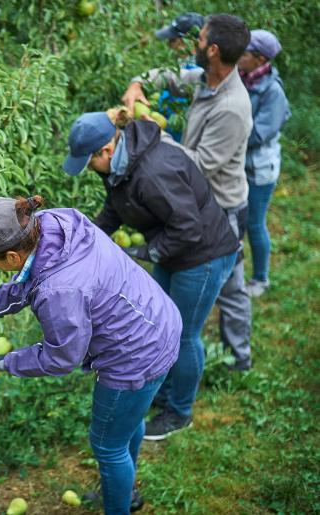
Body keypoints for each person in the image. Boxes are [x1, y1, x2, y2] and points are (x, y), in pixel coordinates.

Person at [0, 196, 181, 515]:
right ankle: (125, 493)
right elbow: (32, 278)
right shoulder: (57, 224)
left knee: (107, 446)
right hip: (156, 319)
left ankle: (119, 505)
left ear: (13, 256)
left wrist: (8, 363)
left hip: (135, 353)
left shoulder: (59, 293)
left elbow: (62, 357)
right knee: (126, 424)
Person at [62, 110, 239, 441]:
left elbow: (189, 228)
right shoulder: (121, 167)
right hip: (176, 251)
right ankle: (165, 392)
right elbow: (114, 209)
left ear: (106, 150)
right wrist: (83, 242)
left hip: (204, 256)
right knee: (161, 327)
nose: (87, 168)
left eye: (88, 161)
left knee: (185, 334)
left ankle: (180, 412)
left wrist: (144, 254)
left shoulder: (152, 173)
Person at [123, 14, 254, 382]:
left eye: (201, 40)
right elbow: (168, 76)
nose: (195, 43)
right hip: (197, 203)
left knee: (229, 286)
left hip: (223, 208)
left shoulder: (232, 108)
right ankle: (226, 354)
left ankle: (239, 359)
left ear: (212, 50)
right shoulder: (207, 80)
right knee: (220, 284)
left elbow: (197, 167)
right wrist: (137, 85)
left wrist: (149, 134)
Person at [238, 30, 290, 297]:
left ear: (259, 59)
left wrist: (225, 131)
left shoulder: (273, 92)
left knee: (254, 224)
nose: (238, 56)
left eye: (244, 53)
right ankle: (232, 275)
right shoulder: (243, 79)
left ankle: (260, 279)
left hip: (259, 169)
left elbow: (258, 134)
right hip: (238, 164)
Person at [153, 12, 206, 142]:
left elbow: (177, 120)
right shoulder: (181, 68)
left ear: (186, 42)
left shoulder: (196, 76)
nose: (169, 45)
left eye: (172, 40)